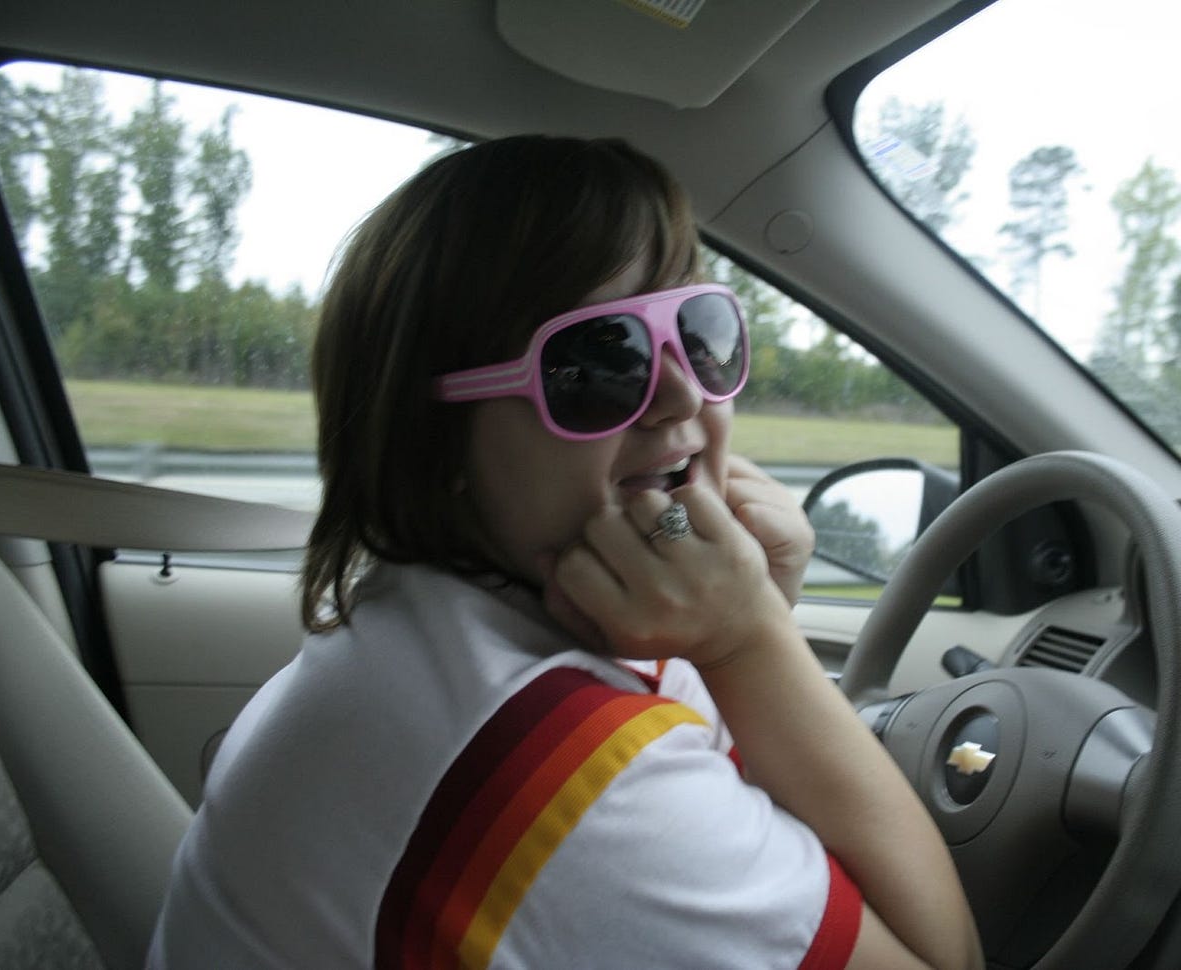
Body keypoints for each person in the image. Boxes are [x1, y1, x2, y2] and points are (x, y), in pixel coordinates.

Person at [147, 134, 982, 970]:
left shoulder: (416, 623)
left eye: (698, 330)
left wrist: (751, 616)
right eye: (598, 361)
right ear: (437, 442)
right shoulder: (554, 767)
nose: (682, 392)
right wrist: (751, 639)